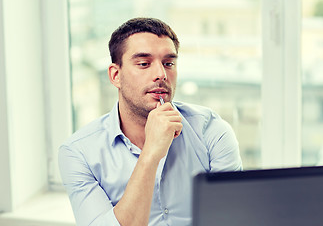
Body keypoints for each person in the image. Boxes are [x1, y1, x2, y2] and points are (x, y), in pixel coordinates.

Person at [58, 17, 242, 226]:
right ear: (116, 75)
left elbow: (231, 219)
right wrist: (151, 153)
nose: (161, 74)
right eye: (144, 64)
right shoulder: (78, 152)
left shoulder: (212, 131)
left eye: (169, 63)